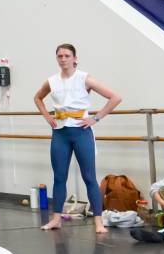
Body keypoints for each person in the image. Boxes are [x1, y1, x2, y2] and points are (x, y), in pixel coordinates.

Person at [33, 43, 122, 235]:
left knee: (89, 177)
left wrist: (96, 118)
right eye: (60, 56)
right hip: (60, 132)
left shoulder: (85, 78)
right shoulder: (52, 81)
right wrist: (47, 117)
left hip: (81, 131)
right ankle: (56, 218)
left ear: (74, 58)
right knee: (59, 177)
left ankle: (98, 221)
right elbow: (38, 98)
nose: (63, 59)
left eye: (67, 56)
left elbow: (115, 97)